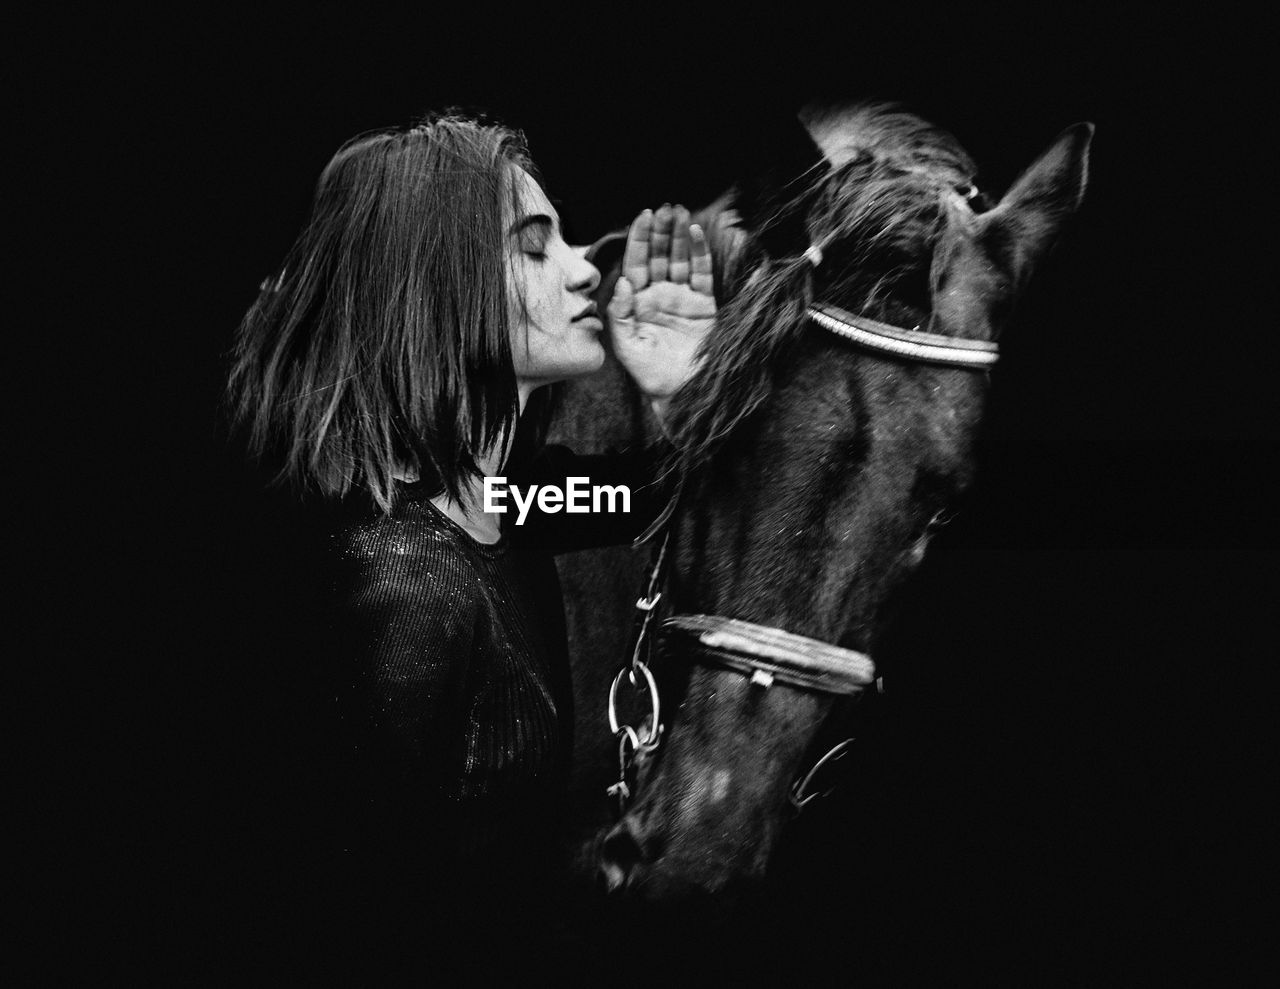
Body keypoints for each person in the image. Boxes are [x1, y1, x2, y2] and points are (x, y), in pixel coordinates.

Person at [225, 113, 714, 965]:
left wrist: (677, 393)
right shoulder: (407, 587)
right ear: (437, 284)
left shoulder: (499, 505)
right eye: (535, 247)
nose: (584, 268)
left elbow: (656, 498)